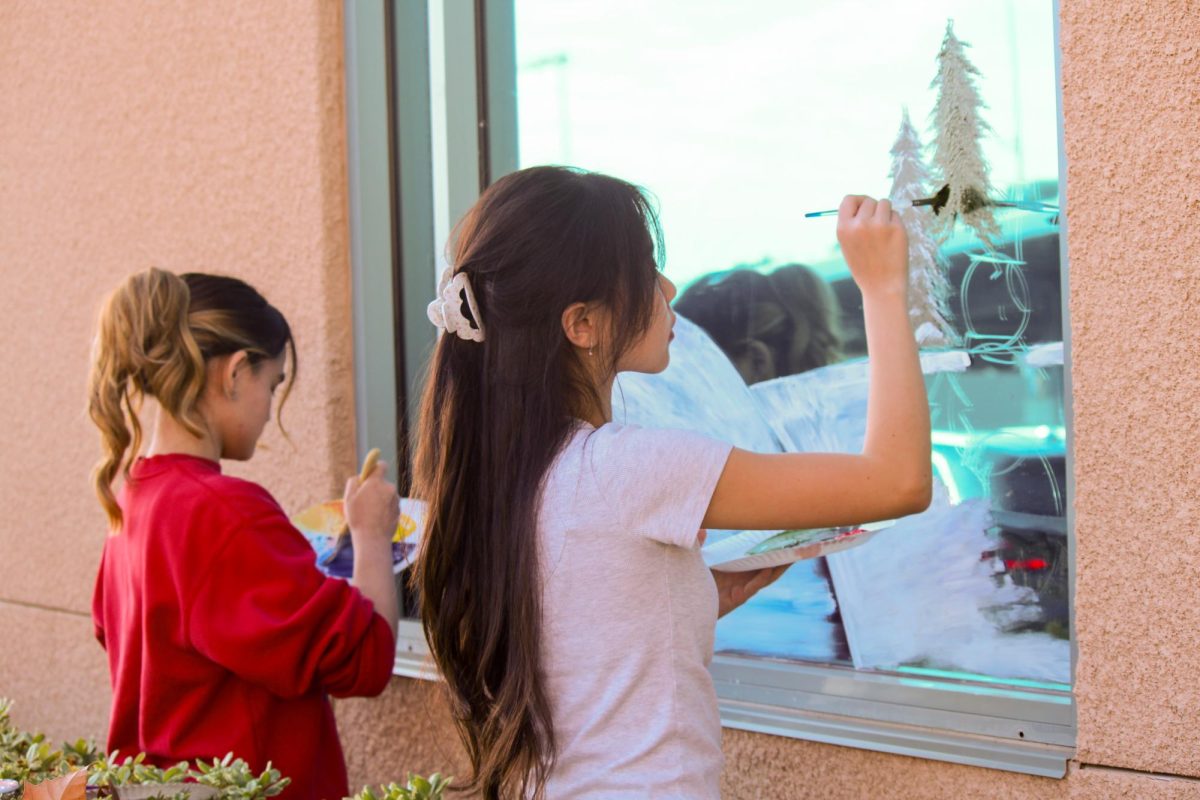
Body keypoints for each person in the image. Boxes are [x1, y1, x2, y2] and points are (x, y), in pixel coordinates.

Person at [411, 166, 931, 799]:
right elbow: (898, 481)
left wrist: (696, 595)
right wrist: (881, 287)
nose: (668, 287)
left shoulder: (512, 477)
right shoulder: (630, 467)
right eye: (647, 270)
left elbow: (584, 637)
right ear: (583, 324)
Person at [87, 269, 400, 800]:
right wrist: (372, 536)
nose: (269, 406)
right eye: (272, 383)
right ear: (235, 373)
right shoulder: (225, 513)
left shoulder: (134, 498)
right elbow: (365, 661)